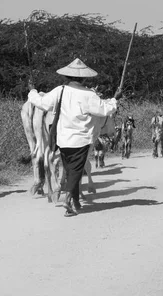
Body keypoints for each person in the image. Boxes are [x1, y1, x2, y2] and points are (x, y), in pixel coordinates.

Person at [28, 58, 122, 217]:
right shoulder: (89, 95)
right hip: (81, 141)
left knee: (71, 170)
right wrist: (115, 98)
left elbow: (41, 103)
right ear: (84, 78)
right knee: (75, 173)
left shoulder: (60, 90)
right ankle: (69, 201)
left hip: (63, 140)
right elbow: (106, 110)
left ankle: (74, 201)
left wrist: (32, 90)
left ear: (67, 77)